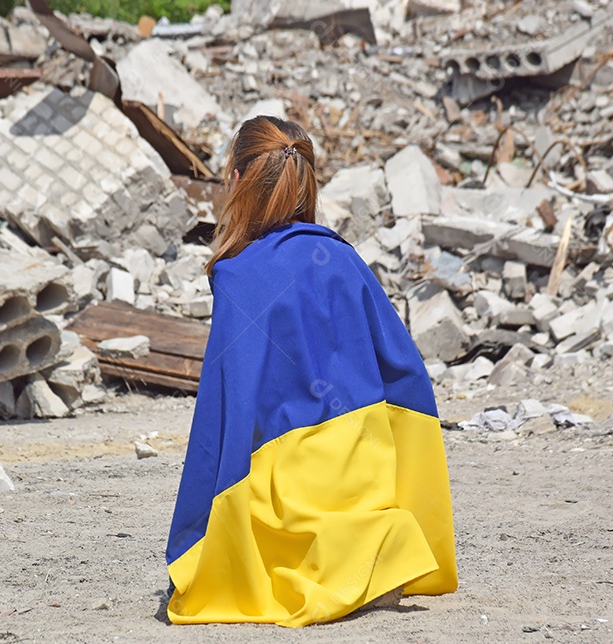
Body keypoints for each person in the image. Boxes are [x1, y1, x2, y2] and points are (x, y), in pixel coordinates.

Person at [165, 115, 457, 627]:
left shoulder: (238, 275)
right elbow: (405, 372)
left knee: (260, 499)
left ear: (237, 179)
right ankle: (374, 547)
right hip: (361, 474)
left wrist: (193, 538)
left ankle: (328, 556)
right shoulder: (342, 259)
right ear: (306, 181)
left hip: (289, 483)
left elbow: (224, 411)